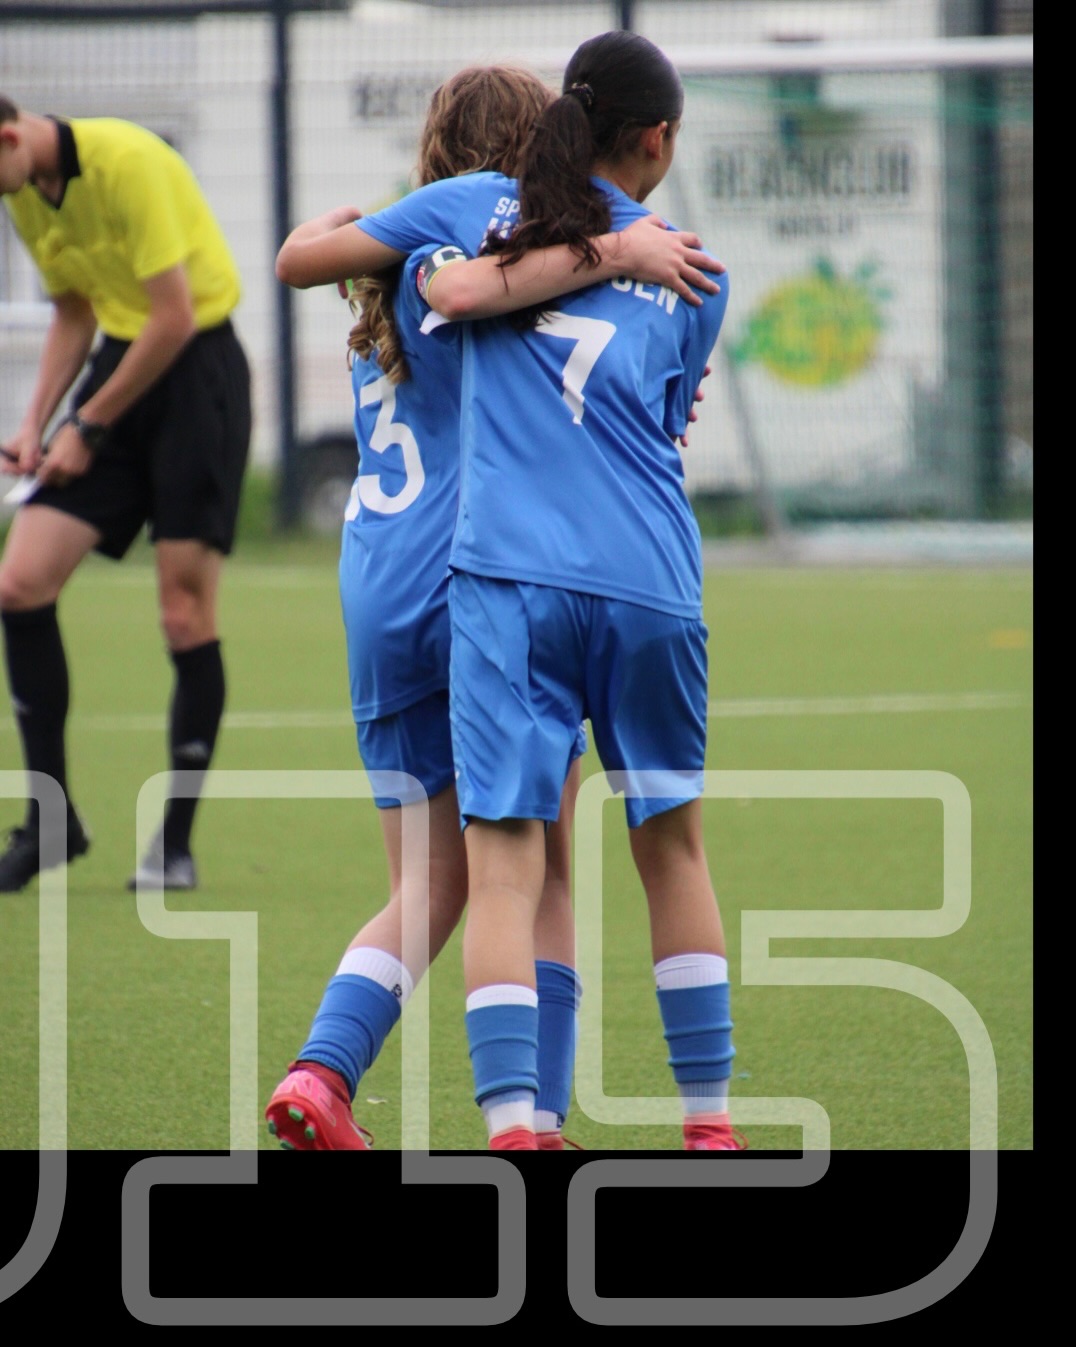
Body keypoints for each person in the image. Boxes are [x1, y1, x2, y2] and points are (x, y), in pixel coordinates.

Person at [265, 64, 726, 1151]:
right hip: (487, 572)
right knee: (535, 865)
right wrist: (624, 265)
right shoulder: (506, 241)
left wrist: (332, 223)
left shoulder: (402, 259)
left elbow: (311, 262)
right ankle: (531, 1118)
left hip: (378, 585)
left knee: (432, 880)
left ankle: (327, 1073)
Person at [0, 96, 251, 894]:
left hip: (197, 378)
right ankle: (50, 820)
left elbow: (172, 318)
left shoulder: (128, 162)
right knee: (19, 583)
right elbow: (75, 312)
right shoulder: (24, 187)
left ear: (9, 136)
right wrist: (35, 424)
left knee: (183, 613)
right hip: (121, 370)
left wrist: (88, 426)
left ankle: (174, 844)